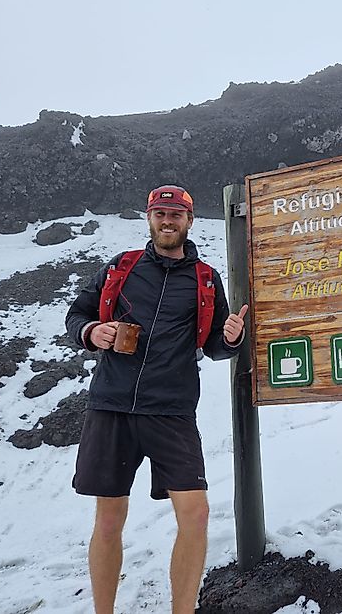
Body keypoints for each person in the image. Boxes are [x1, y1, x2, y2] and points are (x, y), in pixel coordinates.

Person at [65, 184, 247, 614]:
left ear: (189, 221)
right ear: (149, 217)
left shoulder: (204, 278)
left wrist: (231, 338)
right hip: (111, 406)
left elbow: (216, 343)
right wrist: (92, 333)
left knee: (196, 515)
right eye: (160, 214)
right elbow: (77, 315)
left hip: (171, 410)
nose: (168, 221)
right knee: (109, 521)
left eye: (176, 215)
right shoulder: (121, 267)